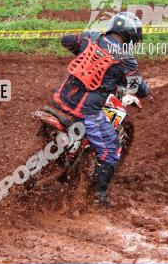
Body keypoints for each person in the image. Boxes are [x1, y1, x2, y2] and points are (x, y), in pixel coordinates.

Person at [52, 11, 151, 207]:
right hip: (85, 112)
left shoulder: (91, 37)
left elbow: (66, 40)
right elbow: (136, 87)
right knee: (110, 150)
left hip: (60, 99)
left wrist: (83, 52)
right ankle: (99, 196)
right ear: (131, 36)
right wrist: (146, 92)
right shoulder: (126, 58)